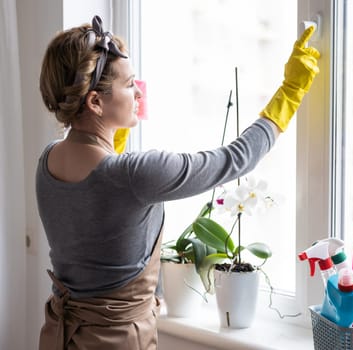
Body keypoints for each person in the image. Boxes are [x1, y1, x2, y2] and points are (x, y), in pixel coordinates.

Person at [36, 15, 319, 350]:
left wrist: (119, 119)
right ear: (95, 102)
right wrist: (290, 91)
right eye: (129, 85)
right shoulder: (133, 175)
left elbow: (99, 210)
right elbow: (235, 158)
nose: (138, 91)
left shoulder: (48, 160)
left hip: (59, 338)